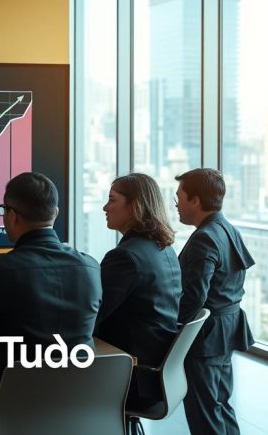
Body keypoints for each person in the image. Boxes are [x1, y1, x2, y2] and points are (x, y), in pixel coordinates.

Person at [0, 172, 102, 435]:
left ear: (12, 215)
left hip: (13, 414)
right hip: (77, 413)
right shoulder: (90, 266)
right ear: (55, 213)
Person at [175, 168, 255, 435]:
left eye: (179, 197)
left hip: (207, 335)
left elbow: (195, 296)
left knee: (205, 411)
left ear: (195, 200)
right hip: (227, 327)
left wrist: (173, 327)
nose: (176, 204)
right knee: (220, 404)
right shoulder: (228, 229)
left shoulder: (205, 237)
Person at [95, 173, 182, 409]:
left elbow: (93, 313)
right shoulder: (164, 249)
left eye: (112, 200)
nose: (105, 207)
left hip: (131, 376)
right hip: (155, 373)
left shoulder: (125, 256)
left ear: (135, 206)